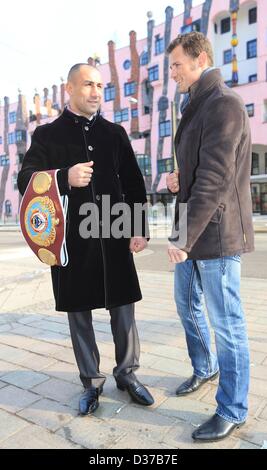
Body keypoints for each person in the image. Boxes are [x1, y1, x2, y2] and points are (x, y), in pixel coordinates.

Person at [18, 63, 154, 416]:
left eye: (100, 85)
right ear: (70, 89)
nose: (96, 92)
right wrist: (64, 177)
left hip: (113, 234)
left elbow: (134, 183)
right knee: (79, 312)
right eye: (88, 85)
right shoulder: (46, 135)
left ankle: (127, 374)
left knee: (124, 308)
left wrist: (139, 226)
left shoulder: (115, 133)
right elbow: (25, 180)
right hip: (70, 242)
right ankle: (91, 382)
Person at [166, 32, 254, 442]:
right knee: (187, 307)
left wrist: (181, 240)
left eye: (177, 65)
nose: (173, 74)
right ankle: (205, 368)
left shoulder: (224, 104)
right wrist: (175, 178)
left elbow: (215, 181)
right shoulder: (196, 104)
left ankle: (233, 408)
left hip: (215, 236)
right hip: (192, 231)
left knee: (228, 325)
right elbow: (198, 173)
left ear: (200, 59)